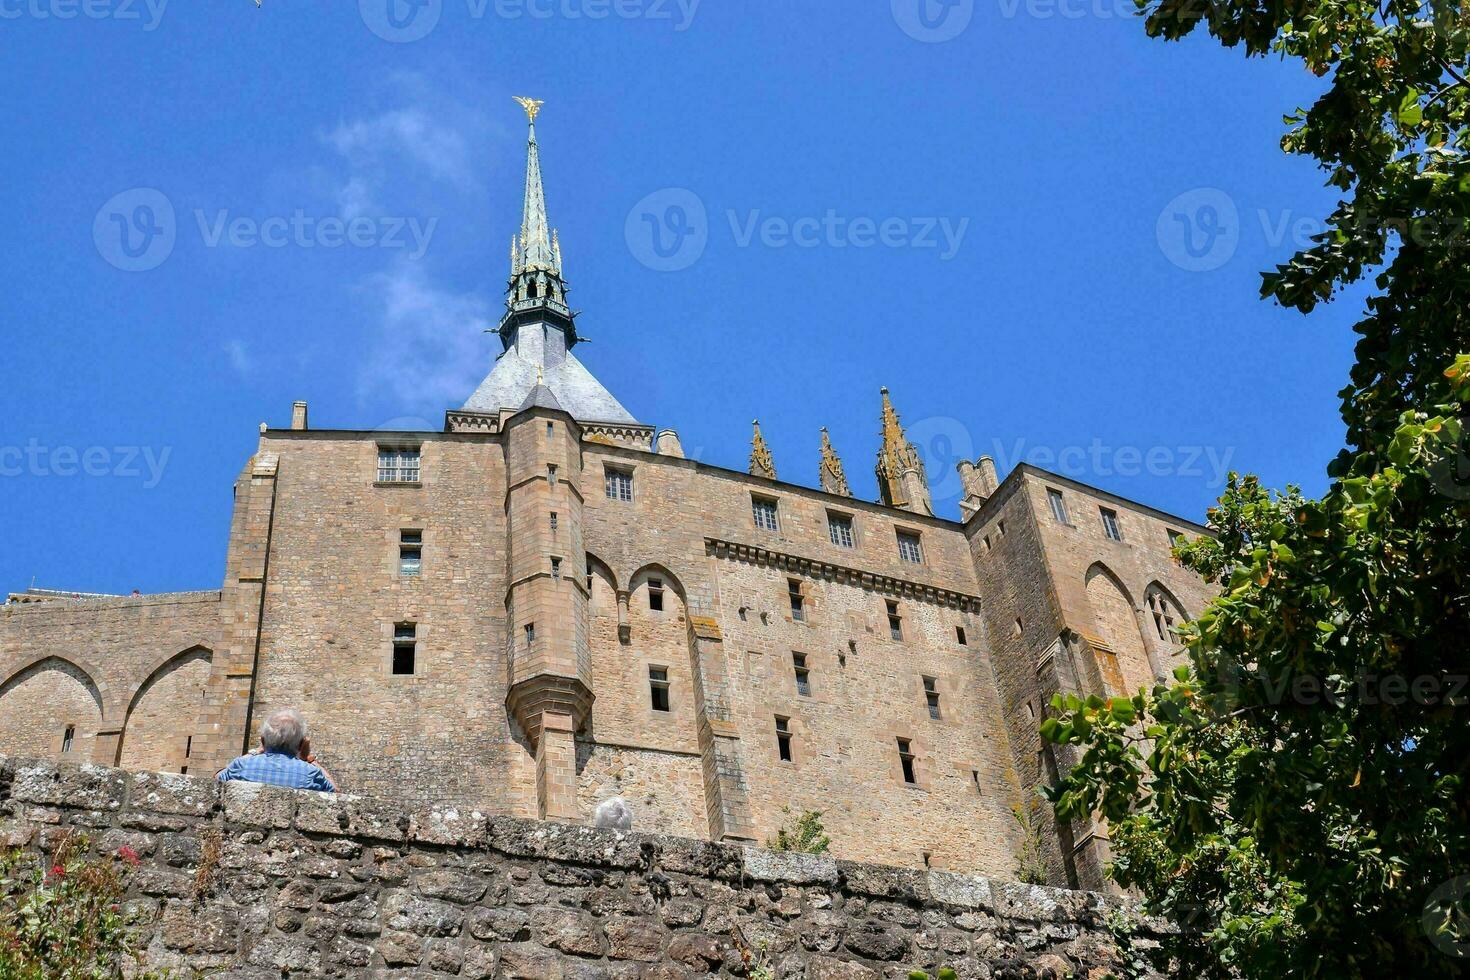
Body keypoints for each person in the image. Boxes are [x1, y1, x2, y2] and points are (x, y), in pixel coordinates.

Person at [216, 707, 338, 792]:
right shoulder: (311, 773)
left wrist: (255, 752)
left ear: (263, 741)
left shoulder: (241, 765)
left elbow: (216, 778)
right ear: (301, 744)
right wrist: (309, 760)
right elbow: (335, 792)